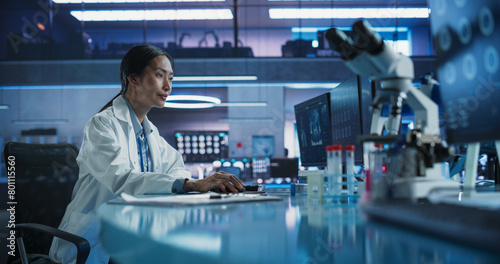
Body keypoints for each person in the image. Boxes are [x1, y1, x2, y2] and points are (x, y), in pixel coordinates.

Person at [49, 44, 244, 264]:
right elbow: (121, 179)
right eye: (159, 75)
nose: (167, 86)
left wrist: (206, 186)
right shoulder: (101, 125)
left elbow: (176, 170)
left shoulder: (152, 135)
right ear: (133, 78)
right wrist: (191, 184)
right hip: (94, 242)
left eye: (171, 78)